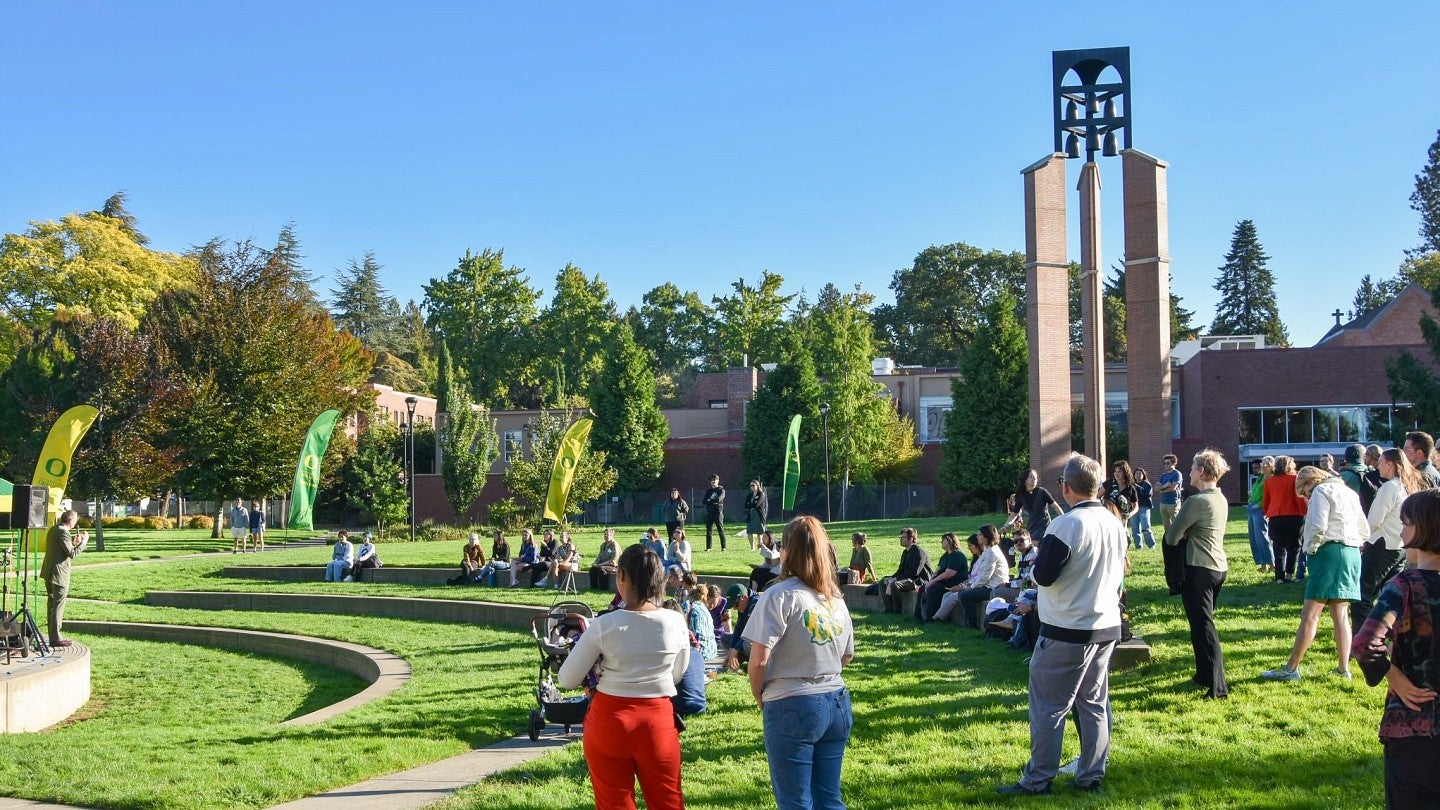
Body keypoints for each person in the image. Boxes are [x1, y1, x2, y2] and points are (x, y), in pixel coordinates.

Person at [997, 453, 1126, 796]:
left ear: (1066, 488)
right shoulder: (1115, 523)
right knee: (1094, 704)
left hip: (1068, 629)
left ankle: (1037, 780)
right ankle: (1091, 776)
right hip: (1105, 625)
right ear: (1097, 486)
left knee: (1050, 707)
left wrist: (1038, 564)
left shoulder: (1066, 525)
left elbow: (1043, 576)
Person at [558, 544, 690, 810]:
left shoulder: (604, 625)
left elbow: (567, 679)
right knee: (668, 800)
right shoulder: (675, 621)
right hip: (658, 721)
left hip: (610, 721)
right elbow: (678, 673)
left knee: (613, 803)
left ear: (622, 577)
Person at [744, 516, 855, 810]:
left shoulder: (779, 595)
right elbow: (847, 655)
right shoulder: (835, 599)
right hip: (836, 701)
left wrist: (758, 693)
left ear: (787, 550)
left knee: (795, 802)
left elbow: (758, 661)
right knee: (829, 798)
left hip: (792, 701)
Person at [1353, 488, 1440, 807]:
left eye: (1405, 523)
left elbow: (1365, 645)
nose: (1401, 531)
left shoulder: (1405, 585)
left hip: (1414, 727)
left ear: (1423, 527)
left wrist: (1396, 677)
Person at [1262, 466, 1368, 682]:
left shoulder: (1321, 491)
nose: (1307, 498)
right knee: (1341, 614)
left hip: (1327, 552)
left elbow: (1318, 524)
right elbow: (1364, 528)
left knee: (1309, 615)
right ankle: (1343, 669)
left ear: (1310, 482)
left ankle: (1291, 669)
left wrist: (1310, 549)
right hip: (1351, 552)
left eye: (1305, 493)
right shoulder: (1350, 493)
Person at [1164, 449, 1232, 699]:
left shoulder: (1196, 501)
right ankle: (1203, 674)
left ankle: (1218, 686)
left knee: (1204, 627)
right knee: (1199, 624)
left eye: (1192, 468)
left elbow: (1171, 537)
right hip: (1217, 567)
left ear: (1201, 471)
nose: (1189, 472)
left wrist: (1185, 532)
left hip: (1199, 568)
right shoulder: (1220, 497)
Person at [1354, 448, 1426, 634]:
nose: (1377, 465)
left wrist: (1361, 538)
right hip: (1400, 547)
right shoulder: (1409, 485)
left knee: (1363, 595)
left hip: (1381, 545)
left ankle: (1362, 637)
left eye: (1381, 462)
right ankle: (1386, 635)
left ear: (1390, 464)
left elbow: (1374, 520)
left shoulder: (1390, 487)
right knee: (1389, 595)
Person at [40, 509, 88, 647]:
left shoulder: (54, 529)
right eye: (75, 520)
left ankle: (53, 635)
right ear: (72, 521)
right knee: (58, 605)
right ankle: (56, 638)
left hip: (49, 572)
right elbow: (72, 554)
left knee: (52, 604)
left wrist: (74, 542)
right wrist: (83, 542)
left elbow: (63, 549)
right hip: (58, 574)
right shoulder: (62, 532)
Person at [950, 525, 1010, 629]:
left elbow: (985, 577)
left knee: (965, 595)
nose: (977, 537)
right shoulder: (988, 550)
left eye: (980, 534)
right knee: (964, 593)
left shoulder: (992, 552)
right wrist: (969, 583)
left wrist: (970, 587)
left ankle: (972, 625)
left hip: (994, 588)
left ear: (987, 537)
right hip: (987, 585)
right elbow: (981, 575)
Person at [1264, 455, 1307, 584]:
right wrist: (1305, 512)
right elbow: (1299, 498)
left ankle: (1279, 577)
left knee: (1278, 547)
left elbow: (1266, 500)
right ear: (1289, 465)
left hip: (1275, 516)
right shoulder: (1295, 479)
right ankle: (1289, 574)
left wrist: (1267, 512)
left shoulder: (1269, 481)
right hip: (1294, 515)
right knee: (1294, 546)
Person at [918, 533, 969, 623]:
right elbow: (937, 571)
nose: (941, 542)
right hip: (941, 582)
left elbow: (949, 573)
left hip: (952, 583)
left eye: (943, 540)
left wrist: (932, 582)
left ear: (949, 541)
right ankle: (918, 616)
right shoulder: (945, 556)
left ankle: (931, 618)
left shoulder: (957, 555)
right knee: (923, 587)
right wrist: (930, 581)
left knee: (933, 589)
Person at [880, 527, 930, 615]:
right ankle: (889, 609)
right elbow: (901, 570)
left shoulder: (918, 551)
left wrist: (895, 579)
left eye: (903, 538)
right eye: (900, 537)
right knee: (883, 581)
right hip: (907, 578)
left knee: (895, 585)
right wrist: (892, 577)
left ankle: (897, 611)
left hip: (918, 581)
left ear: (911, 539)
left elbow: (915, 572)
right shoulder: (905, 552)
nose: (901, 540)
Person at [1006, 469, 1062, 539]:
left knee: (1036, 544)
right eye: (1031, 476)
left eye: (1036, 477)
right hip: (1032, 526)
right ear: (1025, 480)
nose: (1034, 478)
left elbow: (1056, 507)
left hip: (1044, 525)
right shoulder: (1021, 495)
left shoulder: (1042, 492)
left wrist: (1064, 519)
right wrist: (1006, 526)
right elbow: (1014, 514)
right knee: (1029, 545)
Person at [1247, 456, 1276, 573]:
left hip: (1259, 509)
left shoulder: (1271, 478)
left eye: (1265, 464)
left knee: (1263, 537)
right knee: (1254, 538)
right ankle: (1263, 564)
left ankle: (1272, 564)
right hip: (1252, 507)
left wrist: (1260, 504)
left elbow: (1269, 495)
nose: (1263, 467)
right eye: (1262, 464)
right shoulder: (1260, 478)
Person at [723, 583, 760, 671]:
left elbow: (751, 632)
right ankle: (733, 662)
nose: (735, 609)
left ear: (744, 597)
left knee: (747, 645)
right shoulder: (743, 605)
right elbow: (739, 628)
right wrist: (731, 651)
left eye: (736, 605)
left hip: (759, 641)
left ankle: (755, 666)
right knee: (725, 637)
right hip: (749, 637)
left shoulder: (756, 604)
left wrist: (735, 650)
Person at [1130, 468, 1155, 550]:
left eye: (1140, 474)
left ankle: (1151, 546)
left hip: (1144, 507)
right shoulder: (1132, 485)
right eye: (1136, 473)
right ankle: (1138, 547)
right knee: (1135, 528)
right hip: (1134, 508)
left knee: (1146, 527)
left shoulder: (1146, 484)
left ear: (1143, 475)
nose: (1138, 475)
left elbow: (1147, 494)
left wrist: (1138, 488)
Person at [1156, 454, 1183, 530]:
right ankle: (1168, 541)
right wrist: (1164, 486)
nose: (1166, 465)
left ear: (1173, 463)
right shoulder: (1163, 475)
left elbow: (1173, 488)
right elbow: (1156, 488)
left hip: (1173, 503)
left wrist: (1161, 490)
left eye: (1168, 463)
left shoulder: (1177, 474)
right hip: (1163, 503)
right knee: (1166, 526)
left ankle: (1178, 541)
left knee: (1176, 525)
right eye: (1164, 463)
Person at [702, 474, 727, 551]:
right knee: (709, 530)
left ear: (718, 480)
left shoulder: (721, 490)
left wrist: (710, 501)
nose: (712, 481)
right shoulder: (709, 491)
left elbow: (719, 499)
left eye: (714, 480)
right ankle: (708, 547)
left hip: (718, 512)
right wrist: (711, 502)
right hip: (710, 512)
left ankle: (723, 547)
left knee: (720, 529)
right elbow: (704, 501)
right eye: (711, 480)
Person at [590, 527, 620, 591]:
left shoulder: (615, 545)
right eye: (605, 534)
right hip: (603, 564)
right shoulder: (603, 545)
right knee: (592, 569)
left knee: (601, 569)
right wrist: (595, 563)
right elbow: (599, 556)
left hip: (614, 566)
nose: (606, 536)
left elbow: (613, 560)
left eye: (608, 534)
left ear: (612, 535)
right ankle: (594, 588)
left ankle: (603, 589)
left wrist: (600, 565)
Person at [745, 480, 768, 550]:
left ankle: (760, 547)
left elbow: (757, 504)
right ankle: (752, 547)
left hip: (758, 514)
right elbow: (746, 505)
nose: (752, 487)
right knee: (749, 531)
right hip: (751, 514)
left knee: (759, 531)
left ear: (757, 486)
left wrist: (751, 504)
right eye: (751, 485)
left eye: (753, 485)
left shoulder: (761, 494)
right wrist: (751, 505)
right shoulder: (749, 495)